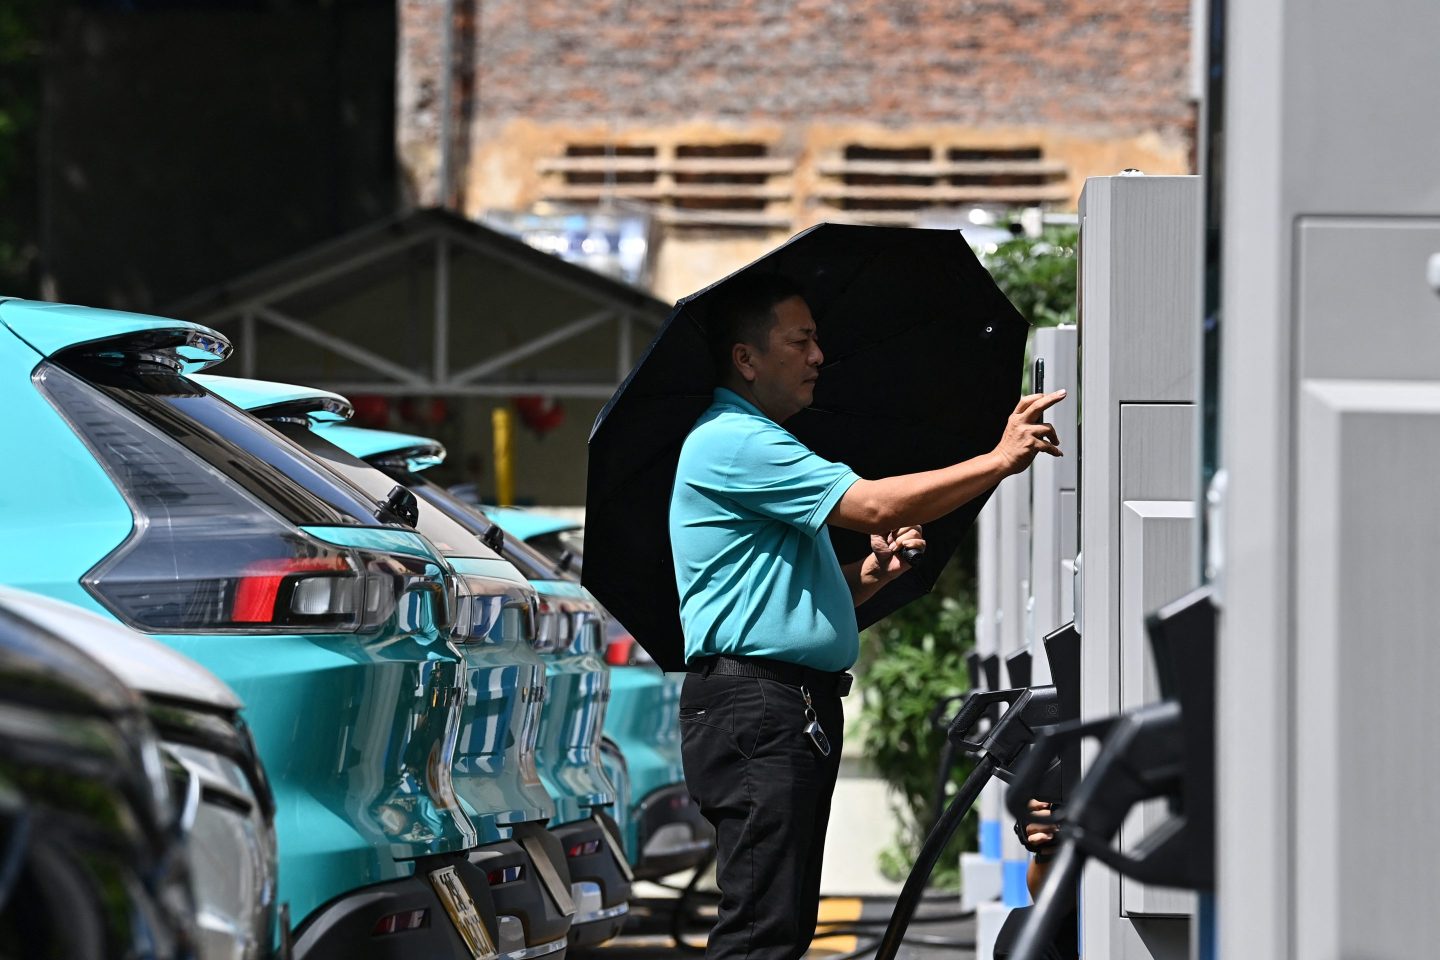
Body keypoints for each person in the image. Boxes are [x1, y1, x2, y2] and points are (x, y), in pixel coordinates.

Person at [669, 273, 1066, 960]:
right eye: (801, 340)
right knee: (763, 928)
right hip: (759, 705)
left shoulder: (754, 443)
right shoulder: (738, 441)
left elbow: (789, 602)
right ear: (746, 358)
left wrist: (870, 575)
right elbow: (878, 507)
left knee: (781, 922)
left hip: (781, 703)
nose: (819, 356)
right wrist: (1000, 460)